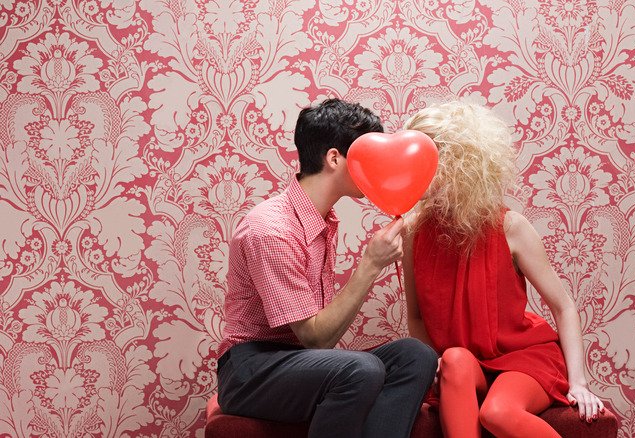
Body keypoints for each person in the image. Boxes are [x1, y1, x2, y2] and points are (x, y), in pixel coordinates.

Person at [217, 98, 438, 438]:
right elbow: (315, 338)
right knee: (360, 369)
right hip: (250, 371)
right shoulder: (271, 229)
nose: (377, 168)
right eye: (368, 157)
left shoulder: (323, 221)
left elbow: (314, 349)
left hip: (299, 363)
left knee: (415, 356)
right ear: (335, 158)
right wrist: (371, 264)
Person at [401, 101, 604, 438]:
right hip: (465, 367)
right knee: (453, 359)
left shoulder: (510, 227)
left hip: (524, 358)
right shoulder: (413, 233)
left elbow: (563, 306)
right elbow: (417, 318)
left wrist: (579, 382)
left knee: (497, 413)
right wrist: (432, 365)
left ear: (458, 163)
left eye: (423, 160)